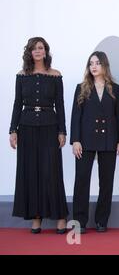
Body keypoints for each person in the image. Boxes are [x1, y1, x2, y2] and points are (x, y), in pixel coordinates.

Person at [9, 37, 68, 234]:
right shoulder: (21, 75)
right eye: (34, 48)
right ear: (29, 52)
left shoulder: (55, 75)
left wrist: (62, 131)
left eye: (40, 48)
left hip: (50, 127)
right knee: (31, 172)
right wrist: (13, 130)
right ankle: (36, 217)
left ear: (46, 51)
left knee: (51, 171)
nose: (37, 51)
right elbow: (18, 103)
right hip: (26, 127)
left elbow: (60, 105)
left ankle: (60, 216)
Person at [70, 51, 119, 234]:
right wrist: (75, 140)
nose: (93, 66)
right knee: (81, 181)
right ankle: (79, 221)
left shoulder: (115, 88)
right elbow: (75, 116)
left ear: (104, 66)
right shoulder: (81, 87)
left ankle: (102, 220)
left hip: (109, 140)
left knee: (106, 181)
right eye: (91, 63)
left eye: (97, 63)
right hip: (85, 140)